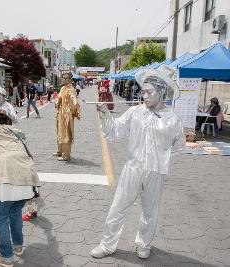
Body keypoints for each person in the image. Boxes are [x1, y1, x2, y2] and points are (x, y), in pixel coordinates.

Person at [91, 66, 185, 259]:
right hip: (132, 168)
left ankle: (143, 244)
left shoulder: (172, 119)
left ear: (161, 92)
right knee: (118, 207)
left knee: (150, 211)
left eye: (149, 92)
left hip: (156, 171)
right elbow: (115, 130)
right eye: (143, 91)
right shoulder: (135, 112)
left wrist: (161, 157)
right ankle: (108, 244)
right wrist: (105, 115)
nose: (144, 95)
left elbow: (179, 145)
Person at [0, 109, 40, 267]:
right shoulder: (18, 131)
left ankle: (6, 257)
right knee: (15, 211)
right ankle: (18, 246)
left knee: (1, 217)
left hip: (7, 177)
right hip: (26, 177)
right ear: (8, 122)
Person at [53, 72, 80, 161]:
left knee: (66, 134)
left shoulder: (71, 89)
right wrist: (57, 103)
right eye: (64, 78)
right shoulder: (63, 88)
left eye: (66, 78)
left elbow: (74, 100)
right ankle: (60, 151)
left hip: (67, 115)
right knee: (60, 132)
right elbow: (59, 98)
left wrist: (75, 109)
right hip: (60, 113)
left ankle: (66, 155)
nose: (64, 80)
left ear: (70, 79)